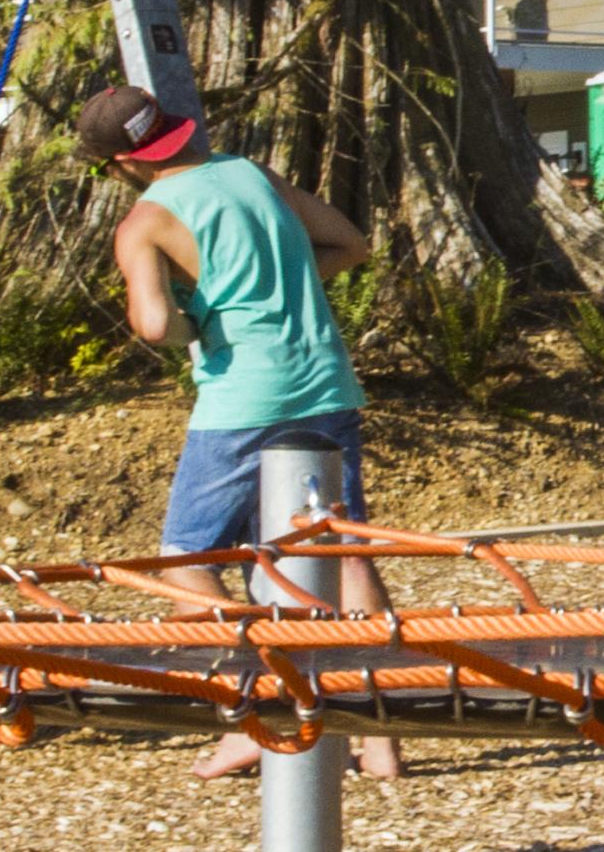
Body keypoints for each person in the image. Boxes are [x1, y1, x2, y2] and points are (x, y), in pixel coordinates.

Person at [74, 84, 401, 780]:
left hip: (242, 401)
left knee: (185, 556)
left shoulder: (144, 220)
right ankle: (379, 736)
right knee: (343, 549)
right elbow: (350, 244)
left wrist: (207, 317)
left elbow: (155, 324)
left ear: (121, 164)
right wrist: (276, 288)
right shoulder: (250, 173)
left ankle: (262, 704)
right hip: (324, 381)